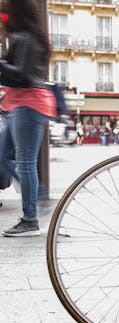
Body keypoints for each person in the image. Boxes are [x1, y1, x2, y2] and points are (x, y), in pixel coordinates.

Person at [0, 0, 57, 236]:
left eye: (5, 12)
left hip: (29, 105)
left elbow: (21, 74)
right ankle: (38, 195)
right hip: (19, 105)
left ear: (16, 12)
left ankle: (30, 219)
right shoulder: (24, 36)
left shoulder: (27, 39)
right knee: (2, 157)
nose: (3, 16)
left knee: (24, 163)